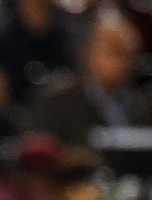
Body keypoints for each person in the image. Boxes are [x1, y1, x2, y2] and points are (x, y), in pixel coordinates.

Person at [24, 14, 152, 144]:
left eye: (130, 53)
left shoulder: (143, 106)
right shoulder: (56, 103)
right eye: (115, 51)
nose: (125, 61)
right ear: (89, 53)